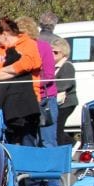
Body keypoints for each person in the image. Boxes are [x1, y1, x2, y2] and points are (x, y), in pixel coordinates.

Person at [0, 17, 42, 147]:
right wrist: (15, 71)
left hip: (28, 101)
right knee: (10, 141)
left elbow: (28, 64)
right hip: (6, 102)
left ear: (4, 34)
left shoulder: (28, 44)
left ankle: (27, 167)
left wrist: (4, 70)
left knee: (28, 141)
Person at [17, 16, 58, 149]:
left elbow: (49, 75)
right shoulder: (15, 49)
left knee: (47, 140)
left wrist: (29, 83)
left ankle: (52, 168)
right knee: (27, 139)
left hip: (45, 99)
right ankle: (30, 168)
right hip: (24, 100)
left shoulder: (43, 47)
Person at [51, 36, 78, 146]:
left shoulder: (67, 66)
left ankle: (68, 145)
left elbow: (65, 84)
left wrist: (48, 88)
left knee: (58, 128)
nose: (52, 54)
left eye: (55, 52)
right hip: (57, 103)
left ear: (64, 53)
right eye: (50, 52)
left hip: (66, 104)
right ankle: (71, 143)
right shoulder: (54, 66)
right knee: (57, 129)